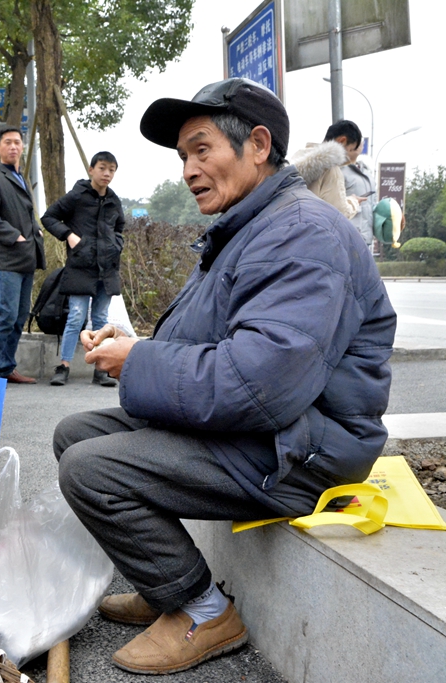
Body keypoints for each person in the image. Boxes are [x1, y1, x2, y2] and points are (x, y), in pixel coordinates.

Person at [53, 78, 396, 675]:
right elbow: (213, 347)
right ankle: (168, 589)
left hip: (303, 448)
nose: (189, 169)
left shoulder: (302, 233)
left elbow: (259, 386)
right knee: (76, 435)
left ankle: (204, 610)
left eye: (202, 149)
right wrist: (136, 346)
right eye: (183, 155)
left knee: (92, 469)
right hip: (271, 429)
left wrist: (139, 361)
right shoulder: (251, 226)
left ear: (258, 145)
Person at [41, 151, 125, 387]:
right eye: (102, 168)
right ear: (91, 170)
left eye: (111, 169)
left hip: (107, 268)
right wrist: (69, 236)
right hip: (81, 266)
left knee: (100, 318)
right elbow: (49, 217)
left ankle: (101, 369)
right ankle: (64, 366)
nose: (107, 173)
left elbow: (120, 226)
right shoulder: (78, 195)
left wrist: (117, 244)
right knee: (76, 317)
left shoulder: (113, 199)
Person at [0, 126, 45, 383]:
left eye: (17, 142)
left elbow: (25, 212)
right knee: (5, 315)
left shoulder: (20, 177)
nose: (13, 146)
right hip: (8, 258)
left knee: (18, 317)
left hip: (26, 257)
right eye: (8, 142)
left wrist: (35, 231)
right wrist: (14, 235)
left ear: (23, 147)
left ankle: (6, 367)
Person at [290, 125, 359, 220]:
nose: (349, 156)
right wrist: (354, 202)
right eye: (351, 149)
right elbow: (339, 213)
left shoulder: (296, 157)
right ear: (342, 141)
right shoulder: (331, 169)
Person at [325, 120, 376, 248]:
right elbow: (337, 208)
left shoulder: (367, 173)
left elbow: (372, 206)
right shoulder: (333, 170)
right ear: (342, 141)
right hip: (343, 240)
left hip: (363, 240)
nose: (361, 145)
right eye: (356, 144)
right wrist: (353, 202)